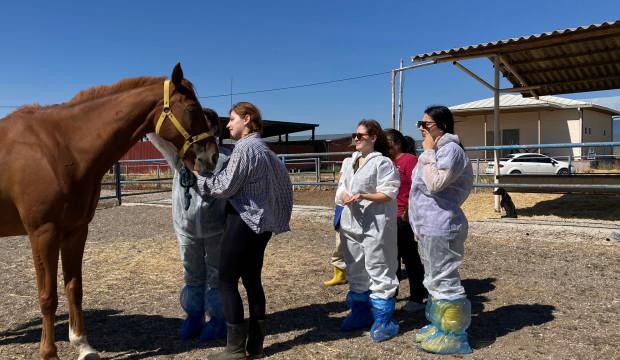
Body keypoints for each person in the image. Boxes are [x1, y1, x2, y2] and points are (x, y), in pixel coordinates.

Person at [191, 102, 293, 360]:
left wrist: (200, 177)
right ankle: (255, 346)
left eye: (233, 119)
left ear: (247, 119)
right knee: (252, 281)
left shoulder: (245, 148)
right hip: (262, 224)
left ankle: (235, 350)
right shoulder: (266, 151)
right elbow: (284, 189)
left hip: (243, 221)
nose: (228, 124)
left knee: (226, 280)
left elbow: (225, 187)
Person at [148, 108, 230, 341]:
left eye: (206, 124)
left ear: (214, 129)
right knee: (192, 273)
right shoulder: (180, 157)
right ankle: (194, 316)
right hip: (186, 227)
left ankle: (218, 319)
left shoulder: (223, 158)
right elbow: (157, 139)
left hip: (216, 227)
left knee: (216, 274)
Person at [408, 106, 474, 354]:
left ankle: (455, 335)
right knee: (434, 279)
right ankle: (441, 326)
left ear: (442, 126)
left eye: (425, 124)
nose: (420, 128)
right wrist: (416, 224)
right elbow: (419, 193)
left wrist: (426, 154)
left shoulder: (451, 151)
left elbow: (435, 184)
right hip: (428, 226)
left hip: (442, 225)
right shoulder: (435, 151)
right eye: (420, 124)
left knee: (445, 280)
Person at [335, 119, 401, 342]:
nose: (356, 139)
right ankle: (360, 312)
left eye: (360, 136)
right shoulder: (349, 162)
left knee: (379, 266)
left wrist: (364, 196)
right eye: (354, 135)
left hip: (376, 224)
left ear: (373, 138)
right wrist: (345, 196)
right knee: (355, 266)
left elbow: (389, 192)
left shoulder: (382, 163)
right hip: (351, 222)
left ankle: (383, 320)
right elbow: (342, 187)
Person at [384, 128, 428, 313]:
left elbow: (417, 188)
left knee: (410, 258)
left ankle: (417, 296)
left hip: (404, 216)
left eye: (387, 141)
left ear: (397, 143)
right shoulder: (388, 162)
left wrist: (409, 211)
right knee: (391, 259)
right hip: (389, 217)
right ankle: (391, 295)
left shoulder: (410, 161)